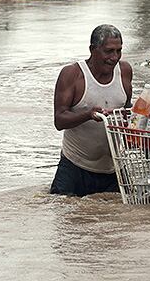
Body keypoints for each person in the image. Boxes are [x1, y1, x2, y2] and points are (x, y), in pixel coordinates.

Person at [50, 24, 133, 196]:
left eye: (118, 51)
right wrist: (88, 115)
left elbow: (127, 111)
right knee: (64, 215)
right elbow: (59, 120)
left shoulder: (124, 71)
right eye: (109, 51)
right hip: (75, 167)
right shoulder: (73, 74)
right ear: (93, 50)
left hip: (114, 168)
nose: (114, 57)